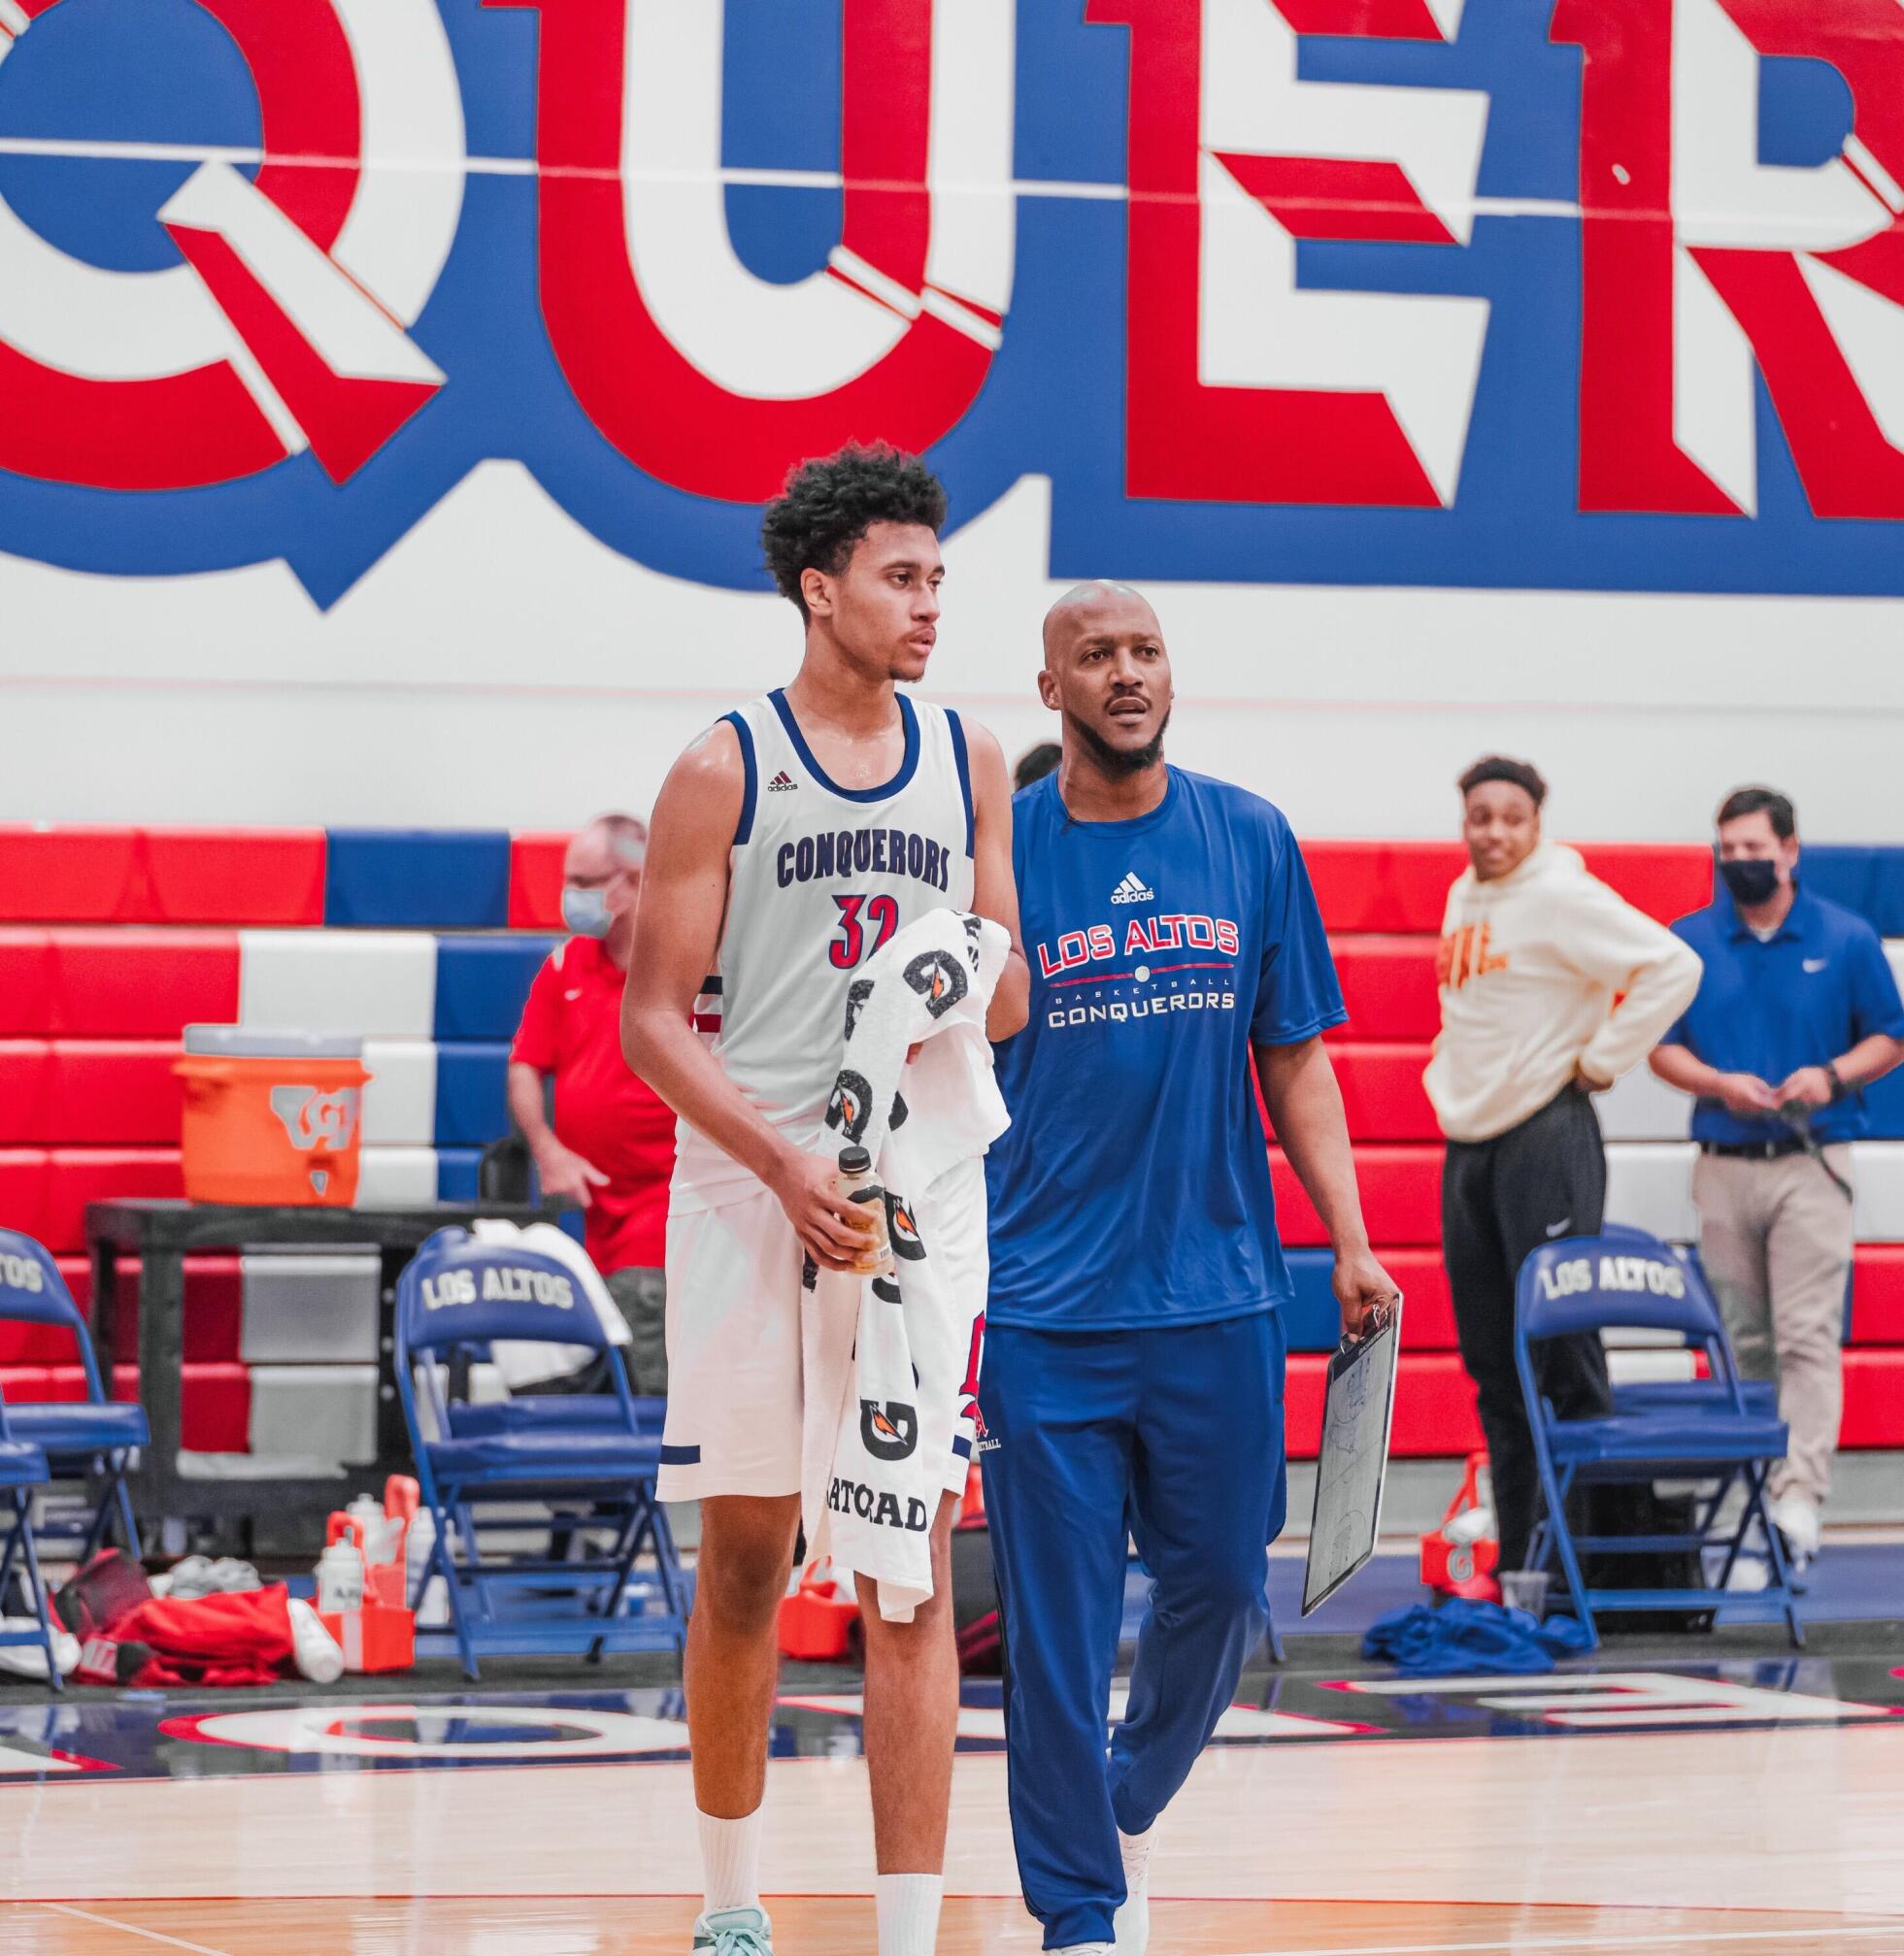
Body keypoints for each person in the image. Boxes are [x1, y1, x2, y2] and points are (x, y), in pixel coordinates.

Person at [620, 444, 1028, 1956]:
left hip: (912, 1192)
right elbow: (652, 1018)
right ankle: (734, 1905)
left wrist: (959, 982)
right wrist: (787, 1157)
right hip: (752, 1177)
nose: (930, 606)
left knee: (910, 1563)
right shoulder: (723, 763)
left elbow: (1010, 986)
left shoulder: (972, 753)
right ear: (820, 586)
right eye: (902, 577)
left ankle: (908, 1929)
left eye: (938, 579)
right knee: (745, 1553)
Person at [981, 580, 1398, 1956]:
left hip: (1218, 1292)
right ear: (1053, 689)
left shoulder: (1250, 836)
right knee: (1055, 1626)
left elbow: (1297, 1054)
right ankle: (1080, 1908)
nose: (1125, 673)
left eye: (1145, 651)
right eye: (1093, 655)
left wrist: (1346, 1234)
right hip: (1047, 1303)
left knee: (1223, 1579)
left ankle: (1124, 1798)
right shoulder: (999, 854)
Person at [1425, 756, 1701, 1578]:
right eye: (1481, 816)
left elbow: (1673, 965)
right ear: (1465, 820)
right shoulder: (1463, 894)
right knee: (1491, 1361)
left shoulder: (1560, 893)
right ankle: (1522, 1561)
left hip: (1546, 1132)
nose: (1495, 831)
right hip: (1470, 1140)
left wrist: (1604, 1056)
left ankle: (1591, 1563)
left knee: (1560, 1351)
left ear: (1537, 822)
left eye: (1512, 817)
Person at [1650, 786, 1904, 1564]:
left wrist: (1829, 1075)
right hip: (1725, 1166)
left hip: (1809, 1160)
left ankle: (1798, 1497)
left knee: (1805, 1336)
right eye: (1727, 850)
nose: (1740, 863)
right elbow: (1661, 1046)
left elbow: (1891, 1038)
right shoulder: (1689, 940)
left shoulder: (1846, 937)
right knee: (1740, 1339)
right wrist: (1719, 1082)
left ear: (1791, 851)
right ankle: (1748, 1485)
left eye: (1755, 850)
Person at [507, 812, 675, 1392]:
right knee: (577, 1365)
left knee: (644, 1331)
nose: (569, 896)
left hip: (664, 1202)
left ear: (632, 882)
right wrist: (548, 1151)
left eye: (584, 882)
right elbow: (526, 1066)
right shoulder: (564, 964)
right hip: (587, 1212)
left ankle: (660, 1483)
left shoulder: (684, 964)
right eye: (568, 881)